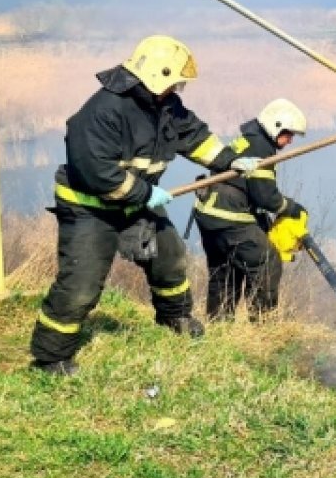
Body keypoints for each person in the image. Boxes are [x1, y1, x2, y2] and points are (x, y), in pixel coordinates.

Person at [29, 35, 262, 375]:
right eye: (175, 81)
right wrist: (145, 195)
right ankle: (50, 357)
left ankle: (174, 318)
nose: (179, 87)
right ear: (157, 75)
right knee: (81, 284)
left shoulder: (165, 107)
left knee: (170, 257)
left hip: (135, 200)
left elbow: (196, 137)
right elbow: (98, 174)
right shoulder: (102, 113)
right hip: (89, 208)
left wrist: (230, 161)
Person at [194, 98, 308, 321]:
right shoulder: (262, 147)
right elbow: (266, 196)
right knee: (267, 262)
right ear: (276, 126)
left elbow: (249, 188)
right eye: (288, 134)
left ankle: (219, 326)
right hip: (229, 216)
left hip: (209, 213)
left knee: (225, 270)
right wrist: (291, 207)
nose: (290, 140)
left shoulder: (249, 139)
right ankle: (263, 325)